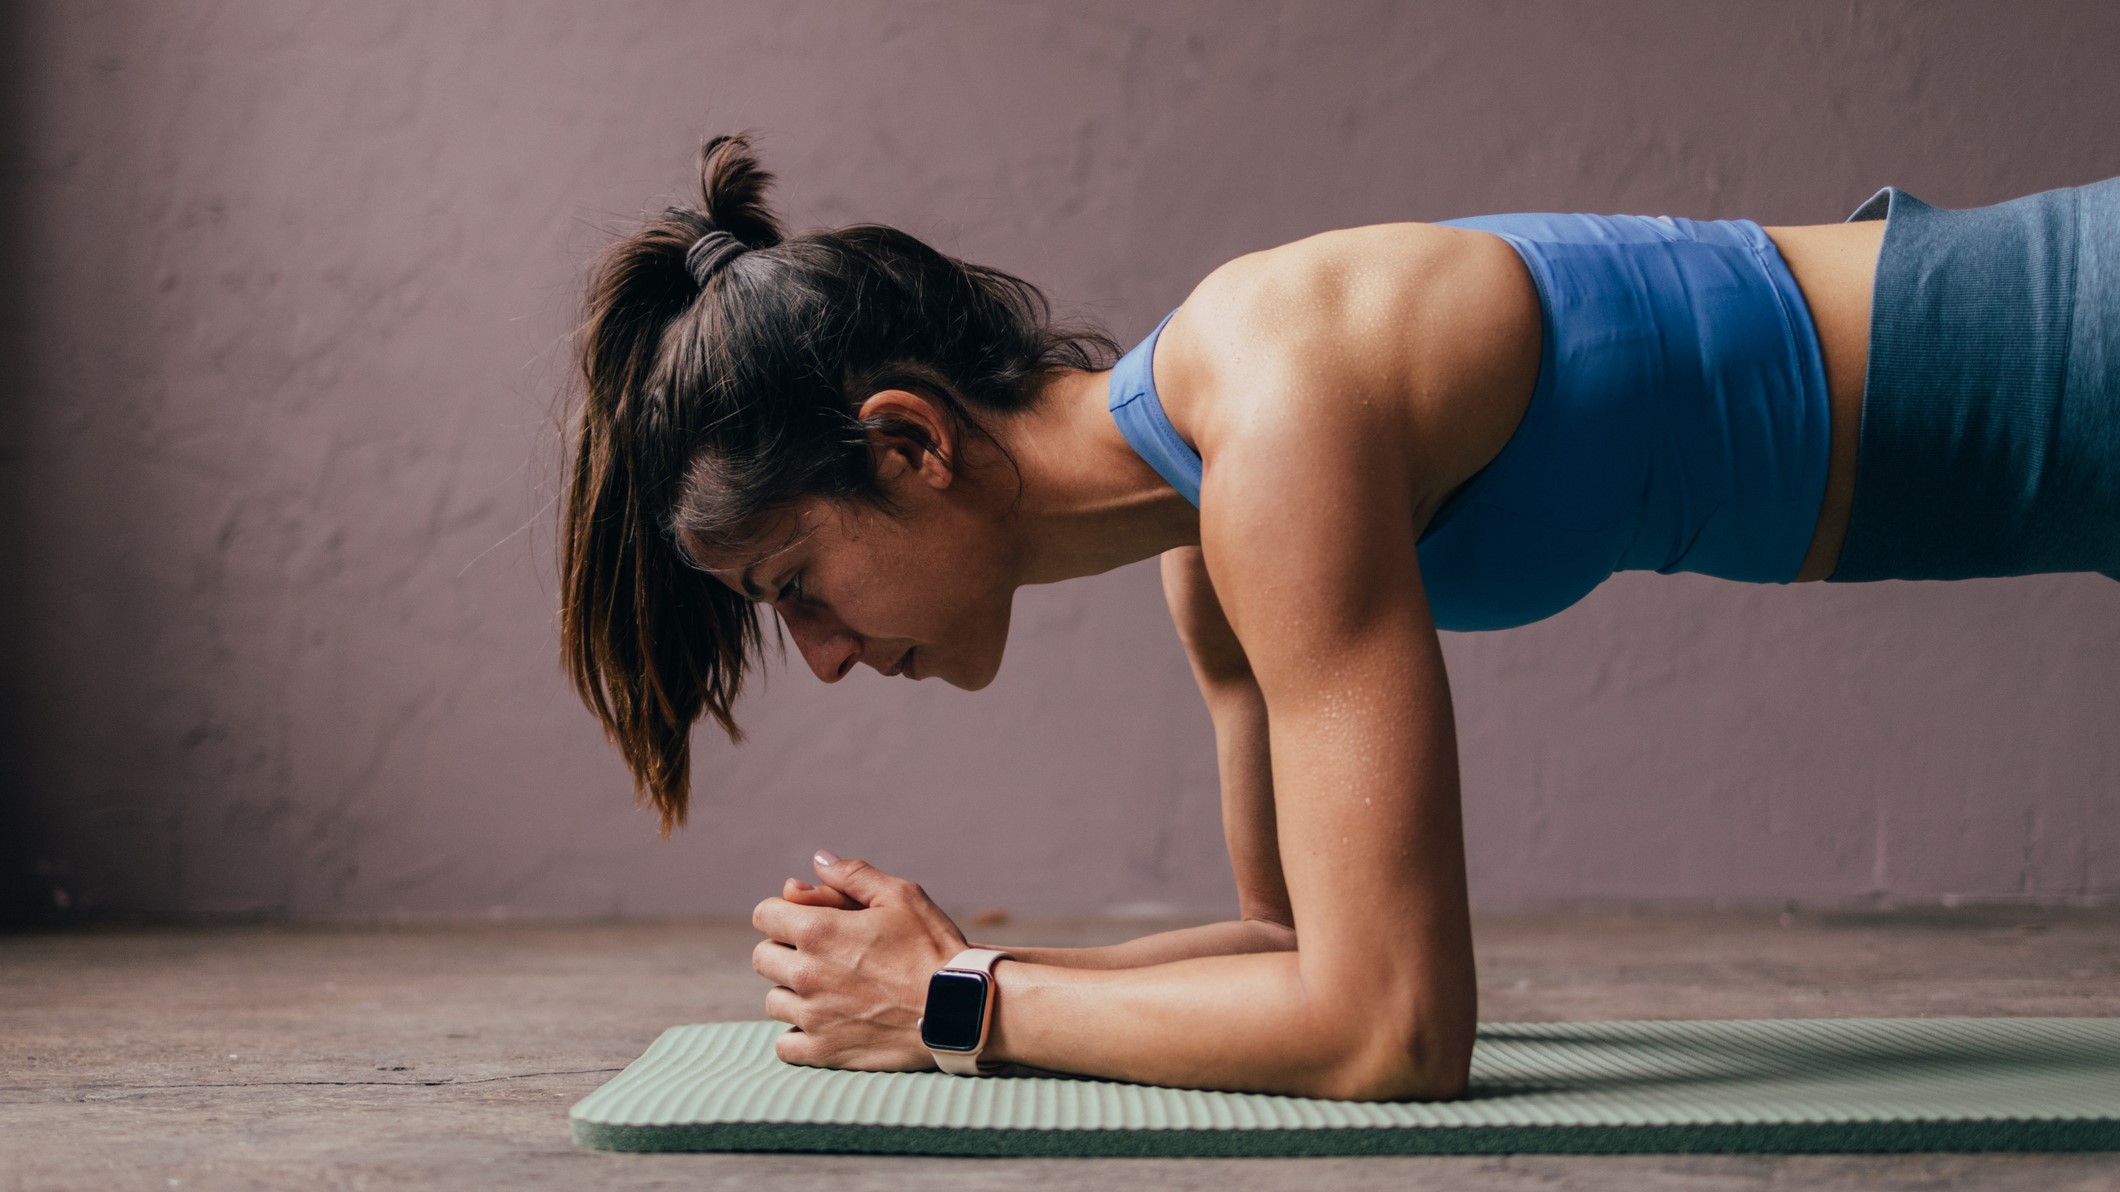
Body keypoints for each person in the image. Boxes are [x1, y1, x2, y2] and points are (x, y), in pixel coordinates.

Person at [559, 132, 2120, 1100]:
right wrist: (959, 974)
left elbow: (1390, 1029)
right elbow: (1292, 949)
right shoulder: (1211, 535)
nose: (824, 656)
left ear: (911, 444)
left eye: (796, 591)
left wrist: (963, 1010)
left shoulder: (1273, 397)